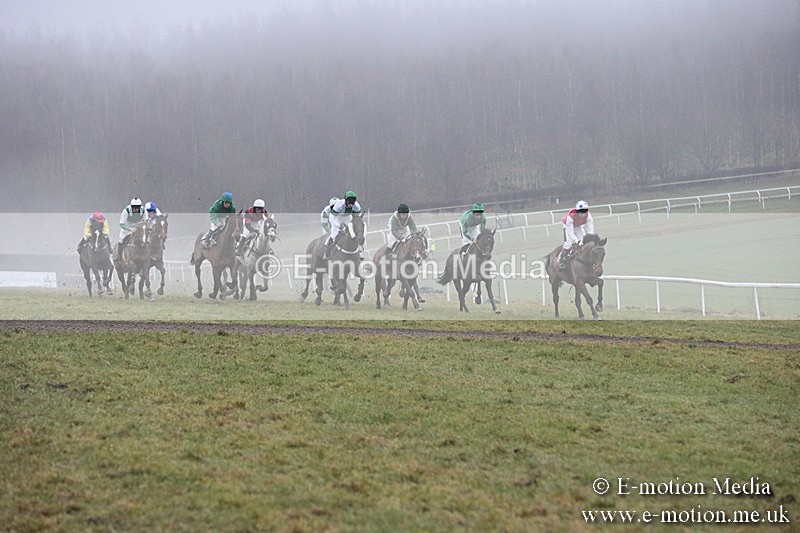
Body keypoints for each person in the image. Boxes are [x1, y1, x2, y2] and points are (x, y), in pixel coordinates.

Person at [324, 191, 363, 260]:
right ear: (345, 201)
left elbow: (357, 218)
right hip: (336, 217)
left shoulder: (357, 206)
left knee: (354, 233)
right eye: (349, 202)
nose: (351, 204)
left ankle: (359, 252)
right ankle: (327, 254)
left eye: (352, 202)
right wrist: (339, 225)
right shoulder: (339, 205)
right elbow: (332, 218)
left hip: (347, 217)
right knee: (334, 235)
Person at [558, 200, 595, 270]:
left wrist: (590, 239)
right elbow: (570, 233)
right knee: (568, 243)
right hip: (568, 226)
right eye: (581, 211)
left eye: (585, 211)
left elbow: (590, 229)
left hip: (578, 226)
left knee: (584, 241)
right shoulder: (570, 217)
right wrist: (577, 241)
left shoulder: (588, 216)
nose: (583, 214)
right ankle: (561, 260)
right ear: (577, 211)